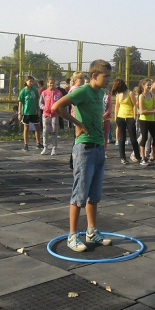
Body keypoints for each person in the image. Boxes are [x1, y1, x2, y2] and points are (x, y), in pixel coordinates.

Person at [52, 59, 113, 252]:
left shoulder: (101, 93)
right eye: (106, 76)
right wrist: (77, 124)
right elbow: (56, 107)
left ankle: (91, 231)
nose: (109, 80)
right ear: (95, 76)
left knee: (94, 195)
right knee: (80, 194)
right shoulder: (82, 91)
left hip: (98, 147)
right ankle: (72, 235)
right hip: (84, 148)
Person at [112, 78, 140, 165]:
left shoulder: (130, 93)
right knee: (122, 138)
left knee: (133, 139)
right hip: (120, 117)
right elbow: (117, 106)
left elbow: (135, 104)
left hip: (130, 117)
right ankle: (123, 158)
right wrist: (116, 117)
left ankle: (137, 156)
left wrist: (134, 116)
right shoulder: (118, 94)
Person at [138, 79, 155, 166]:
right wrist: (153, 111)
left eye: (150, 85)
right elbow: (142, 111)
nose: (149, 86)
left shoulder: (153, 95)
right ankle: (143, 158)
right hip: (143, 120)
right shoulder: (141, 96)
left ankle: (152, 156)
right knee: (144, 138)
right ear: (143, 85)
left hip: (151, 120)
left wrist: (152, 111)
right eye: (148, 85)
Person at [39, 78, 62, 155]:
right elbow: (40, 103)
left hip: (55, 115)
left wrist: (59, 110)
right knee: (45, 131)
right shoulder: (44, 93)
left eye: (53, 83)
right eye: (50, 83)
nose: (52, 85)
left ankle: (54, 148)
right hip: (46, 115)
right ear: (47, 83)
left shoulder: (58, 93)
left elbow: (61, 103)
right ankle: (45, 147)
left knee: (54, 131)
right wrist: (44, 108)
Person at [18, 76, 42, 151]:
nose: (31, 83)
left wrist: (38, 110)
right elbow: (20, 102)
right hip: (26, 112)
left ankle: (38, 143)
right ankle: (26, 144)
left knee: (37, 127)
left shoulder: (35, 90)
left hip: (34, 112)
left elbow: (37, 101)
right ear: (26, 82)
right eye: (30, 81)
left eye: (32, 81)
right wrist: (19, 113)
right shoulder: (23, 91)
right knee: (26, 128)